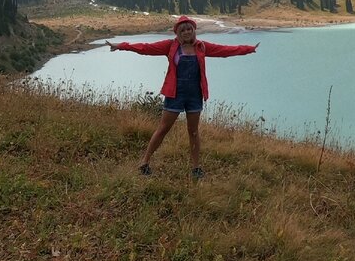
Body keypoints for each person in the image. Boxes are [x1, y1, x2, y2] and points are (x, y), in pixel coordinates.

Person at [107, 16, 257, 181]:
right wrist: (121, 46)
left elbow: (226, 51)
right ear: (177, 32)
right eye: (183, 30)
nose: (186, 32)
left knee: (193, 132)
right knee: (163, 129)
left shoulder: (202, 47)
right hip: (175, 94)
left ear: (193, 31)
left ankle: (196, 168)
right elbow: (145, 48)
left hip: (195, 96)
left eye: (189, 29)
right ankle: (144, 162)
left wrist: (248, 49)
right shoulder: (170, 46)